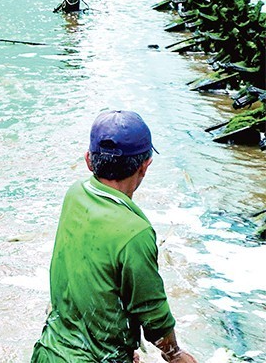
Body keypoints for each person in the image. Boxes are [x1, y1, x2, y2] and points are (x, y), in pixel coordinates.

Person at [32, 110, 197, 363]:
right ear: (145, 166)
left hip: (48, 352)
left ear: (89, 160)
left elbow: (88, 280)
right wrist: (174, 354)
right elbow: (152, 314)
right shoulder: (135, 233)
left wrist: (121, 344)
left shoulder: (75, 194)